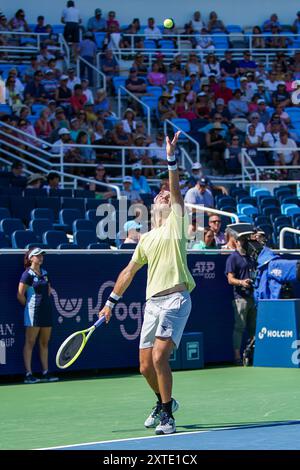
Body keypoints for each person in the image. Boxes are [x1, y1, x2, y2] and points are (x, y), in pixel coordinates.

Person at [98, 132, 195, 435]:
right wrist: (110, 302)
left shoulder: (177, 224)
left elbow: (176, 189)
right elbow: (128, 271)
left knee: (159, 357)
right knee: (144, 366)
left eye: (169, 197)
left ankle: (168, 416)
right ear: (155, 203)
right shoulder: (146, 239)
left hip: (175, 300)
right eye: (162, 196)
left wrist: (170, 158)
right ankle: (163, 401)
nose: (166, 197)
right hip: (152, 304)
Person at [17, 248, 58, 384]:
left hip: (46, 311)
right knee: (30, 342)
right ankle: (28, 374)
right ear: (30, 258)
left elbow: (48, 291)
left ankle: (45, 372)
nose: (40, 258)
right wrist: (30, 306)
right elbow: (20, 295)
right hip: (32, 312)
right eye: (37, 255)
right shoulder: (26, 274)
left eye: (42, 255)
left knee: (44, 342)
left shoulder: (45, 273)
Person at [225, 234, 257, 365]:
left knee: (253, 328)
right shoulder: (233, 258)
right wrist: (241, 282)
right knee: (239, 327)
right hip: (240, 298)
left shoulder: (251, 257)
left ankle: (251, 354)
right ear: (237, 242)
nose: (245, 242)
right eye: (243, 240)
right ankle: (237, 356)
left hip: (252, 297)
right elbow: (230, 279)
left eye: (246, 240)